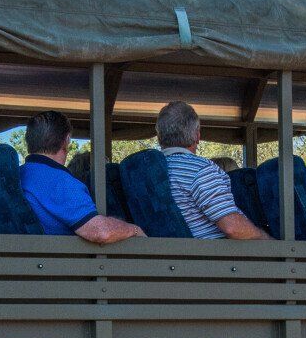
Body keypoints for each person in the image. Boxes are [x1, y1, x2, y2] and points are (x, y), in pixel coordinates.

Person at [19, 110, 145, 244]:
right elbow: (100, 232)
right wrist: (135, 230)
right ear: (66, 140)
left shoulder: (20, 174)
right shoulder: (61, 182)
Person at [157, 102, 268, 240]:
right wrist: (266, 240)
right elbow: (232, 227)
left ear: (159, 137)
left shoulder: (150, 172)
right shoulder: (200, 169)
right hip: (213, 251)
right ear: (197, 135)